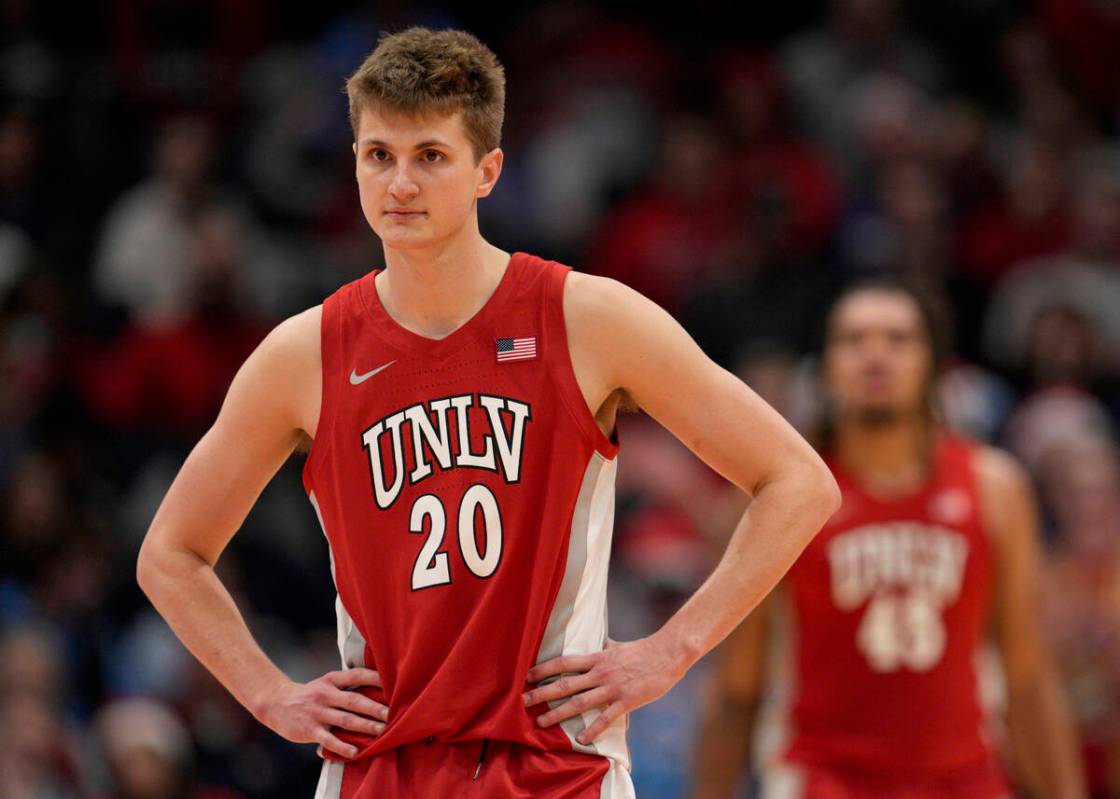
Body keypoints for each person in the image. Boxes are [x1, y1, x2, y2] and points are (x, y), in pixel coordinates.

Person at [136, 26, 841, 799]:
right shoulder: (303, 353)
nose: (400, 182)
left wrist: (669, 651)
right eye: (380, 155)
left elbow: (798, 481)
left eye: (430, 156)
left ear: (487, 170)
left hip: (556, 764)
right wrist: (270, 695)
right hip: (382, 766)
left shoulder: (586, 318)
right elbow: (171, 552)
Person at [691, 277, 1086, 799]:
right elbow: (737, 686)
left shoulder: (995, 487)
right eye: (853, 340)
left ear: (933, 364)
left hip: (965, 778)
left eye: (898, 340)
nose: (875, 356)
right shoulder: (778, 494)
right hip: (823, 779)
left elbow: (1028, 674)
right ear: (826, 366)